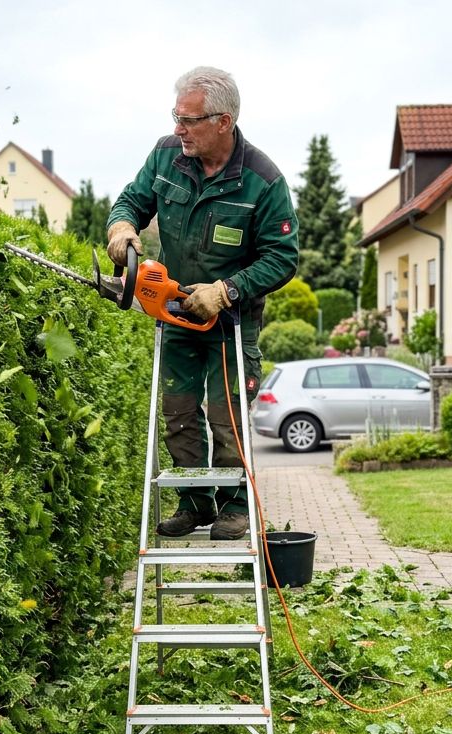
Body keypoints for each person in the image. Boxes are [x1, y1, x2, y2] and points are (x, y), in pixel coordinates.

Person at [105, 66, 299, 540]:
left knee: (226, 414)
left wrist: (226, 290)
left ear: (223, 122)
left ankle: (236, 508)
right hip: (174, 310)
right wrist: (122, 227)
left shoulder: (263, 182)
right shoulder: (166, 156)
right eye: (176, 116)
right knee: (178, 411)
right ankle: (195, 504)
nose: (178, 129)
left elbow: (283, 258)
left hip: (231, 320)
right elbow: (130, 200)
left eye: (188, 120)